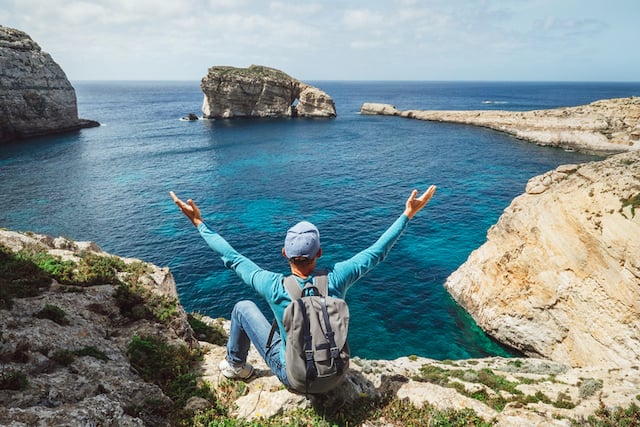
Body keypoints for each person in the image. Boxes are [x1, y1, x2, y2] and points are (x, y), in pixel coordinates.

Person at [170, 186, 436, 388]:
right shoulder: (338, 276)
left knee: (242, 308)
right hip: (336, 375)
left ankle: (236, 366)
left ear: (284, 253)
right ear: (319, 252)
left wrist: (198, 223)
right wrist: (407, 214)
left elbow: (233, 258)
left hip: (295, 379)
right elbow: (377, 252)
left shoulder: (273, 285)